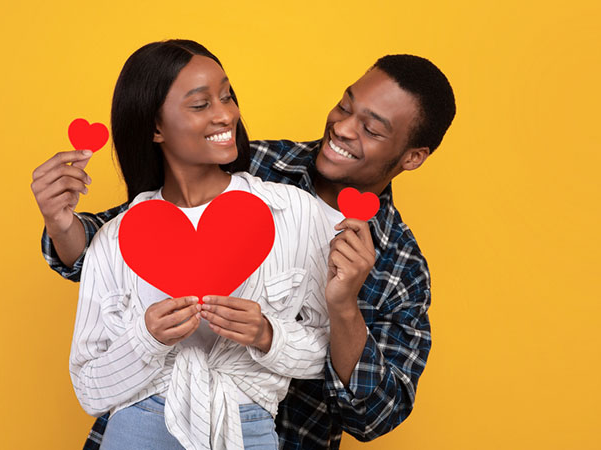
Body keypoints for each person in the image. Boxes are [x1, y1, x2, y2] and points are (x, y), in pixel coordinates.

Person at [32, 52, 456, 449]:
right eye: (345, 107)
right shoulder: (250, 161)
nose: (344, 128)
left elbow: (373, 416)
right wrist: (62, 223)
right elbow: (127, 238)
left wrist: (342, 308)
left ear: (413, 157)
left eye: (372, 128)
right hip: (144, 421)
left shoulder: (402, 268)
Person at [59, 40, 335, 450]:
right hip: (137, 428)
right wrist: (146, 338)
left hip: (247, 428)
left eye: (226, 96)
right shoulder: (116, 238)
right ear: (155, 127)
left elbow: (326, 353)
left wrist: (267, 334)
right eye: (201, 104)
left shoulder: (294, 213)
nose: (226, 114)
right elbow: (88, 389)